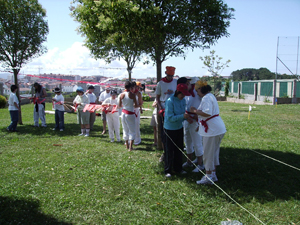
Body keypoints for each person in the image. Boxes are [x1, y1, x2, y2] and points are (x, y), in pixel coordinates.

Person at [190, 81, 226, 185]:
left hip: (212, 130)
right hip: (216, 128)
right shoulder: (211, 96)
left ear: (201, 89)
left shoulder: (206, 98)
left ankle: (209, 176)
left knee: (208, 154)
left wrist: (194, 111)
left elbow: (207, 113)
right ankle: (213, 174)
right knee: (213, 153)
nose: (197, 93)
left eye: (197, 90)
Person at [164, 83, 193, 178]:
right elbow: (170, 117)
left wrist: (186, 118)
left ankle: (178, 168)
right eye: (182, 94)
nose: (183, 96)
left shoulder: (183, 100)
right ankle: (168, 170)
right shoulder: (170, 101)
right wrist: (182, 116)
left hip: (179, 127)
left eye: (185, 94)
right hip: (169, 129)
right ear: (177, 92)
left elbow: (182, 113)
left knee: (179, 149)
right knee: (169, 150)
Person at [182, 77, 205, 173]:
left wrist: (197, 116)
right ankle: (189, 161)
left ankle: (200, 164)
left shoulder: (198, 93)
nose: (186, 85)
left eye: (188, 84)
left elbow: (204, 105)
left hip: (195, 120)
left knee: (197, 141)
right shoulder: (187, 94)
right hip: (187, 119)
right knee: (187, 140)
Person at [156, 66, 178, 162]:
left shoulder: (175, 82)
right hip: (164, 109)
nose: (170, 77)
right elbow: (157, 97)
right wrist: (160, 108)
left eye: (171, 76)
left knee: (175, 131)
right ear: (166, 74)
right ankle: (165, 152)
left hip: (174, 109)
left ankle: (174, 152)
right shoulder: (160, 83)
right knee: (164, 132)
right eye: (169, 75)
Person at [119, 81, 138, 151]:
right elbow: (136, 105)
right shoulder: (133, 95)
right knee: (132, 130)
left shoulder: (121, 95)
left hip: (123, 112)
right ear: (130, 87)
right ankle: (130, 147)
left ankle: (127, 145)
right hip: (130, 113)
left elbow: (119, 105)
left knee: (125, 129)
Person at [133, 81, 143, 145]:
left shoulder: (139, 93)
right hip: (130, 109)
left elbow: (140, 102)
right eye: (137, 86)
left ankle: (137, 139)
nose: (138, 88)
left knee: (136, 124)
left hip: (136, 110)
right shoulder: (130, 92)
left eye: (138, 87)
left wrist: (140, 108)